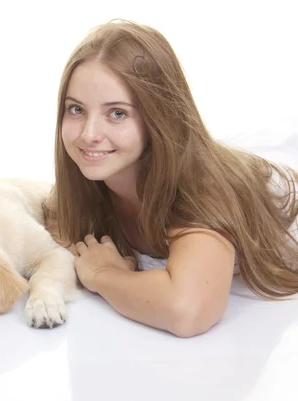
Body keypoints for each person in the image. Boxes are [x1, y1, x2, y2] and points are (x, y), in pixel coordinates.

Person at [44, 20, 298, 338]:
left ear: (158, 116)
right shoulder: (86, 186)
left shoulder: (200, 188)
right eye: (77, 109)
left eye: (117, 113)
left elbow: (188, 311)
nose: (89, 134)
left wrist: (102, 274)